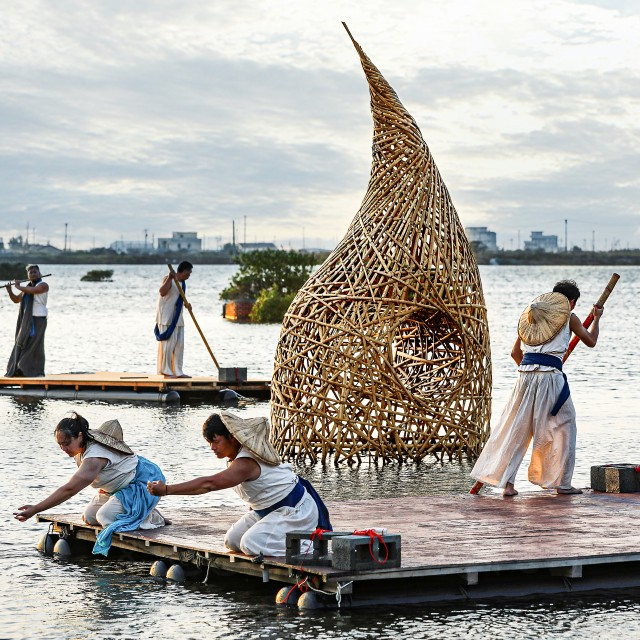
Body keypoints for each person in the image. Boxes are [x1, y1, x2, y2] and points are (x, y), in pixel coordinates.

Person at [470, 280, 603, 497]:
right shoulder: (569, 316)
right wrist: (596, 319)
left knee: (517, 429)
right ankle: (563, 483)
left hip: (524, 376)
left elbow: (515, 353)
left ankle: (508, 485)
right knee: (564, 425)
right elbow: (591, 340)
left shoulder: (532, 317)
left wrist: (531, 371)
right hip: (550, 378)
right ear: (570, 302)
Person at [147, 411, 332, 557]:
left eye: (215, 441)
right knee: (232, 541)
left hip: (295, 511)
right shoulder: (235, 458)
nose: (212, 448)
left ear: (232, 437)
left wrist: (166, 490)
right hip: (266, 511)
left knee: (250, 544)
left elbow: (209, 484)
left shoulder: (246, 463)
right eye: (209, 443)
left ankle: (311, 546)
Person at [14, 412, 167, 556]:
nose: (63, 449)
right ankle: (138, 511)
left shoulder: (95, 455)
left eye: (67, 443)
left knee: (105, 516)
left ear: (80, 436)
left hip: (145, 483)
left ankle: (151, 517)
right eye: (60, 444)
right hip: (121, 489)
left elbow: (70, 489)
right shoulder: (80, 449)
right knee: (89, 517)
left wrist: (36, 508)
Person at [5, 264, 49, 377]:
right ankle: (19, 369)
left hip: (39, 319)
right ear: (28, 276)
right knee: (22, 342)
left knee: (34, 344)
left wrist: (19, 287)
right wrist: (10, 291)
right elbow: (16, 300)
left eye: (35, 272)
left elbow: (34, 290)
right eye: (31, 273)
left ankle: (26, 369)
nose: (33, 274)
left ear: (39, 273)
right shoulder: (27, 288)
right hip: (27, 320)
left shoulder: (43, 285)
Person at [155, 260, 193, 378]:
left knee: (179, 346)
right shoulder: (168, 279)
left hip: (178, 319)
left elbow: (179, 299)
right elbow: (162, 292)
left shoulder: (182, 283)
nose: (189, 275)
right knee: (168, 345)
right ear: (183, 271)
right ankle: (166, 371)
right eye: (188, 272)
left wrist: (187, 305)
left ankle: (178, 371)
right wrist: (170, 278)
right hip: (166, 317)